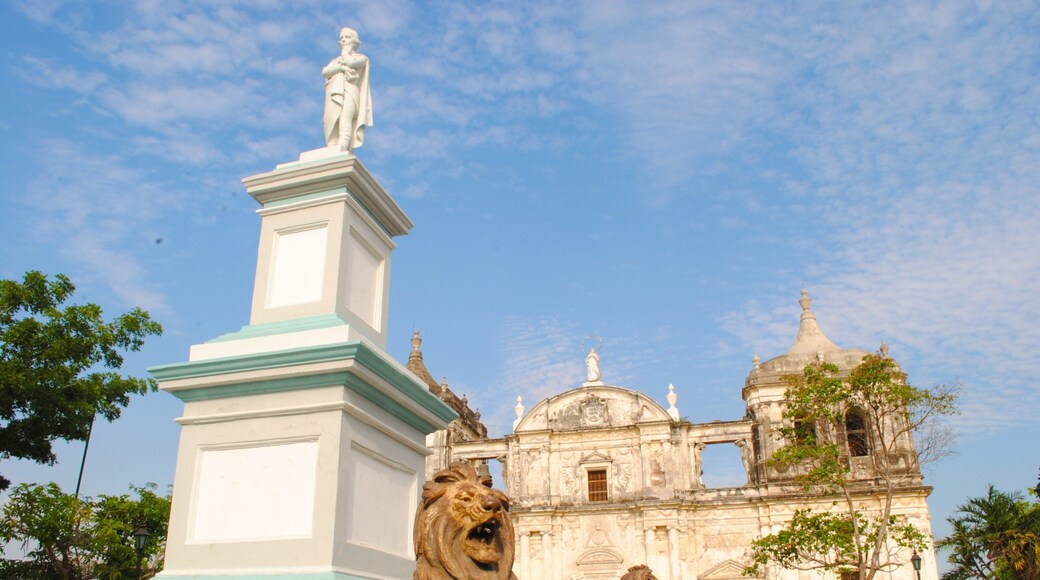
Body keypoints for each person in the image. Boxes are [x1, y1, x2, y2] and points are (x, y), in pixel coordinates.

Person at [322, 27, 373, 152]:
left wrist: (345, 53)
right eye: (342, 38)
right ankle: (332, 146)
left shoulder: (362, 58)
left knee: (346, 116)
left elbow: (350, 63)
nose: (344, 40)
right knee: (330, 118)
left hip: (350, 90)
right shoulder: (335, 61)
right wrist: (341, 68)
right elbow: (325, 72)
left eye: (347, 37)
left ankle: (343, 144)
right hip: (334, 91)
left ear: (354, 41)